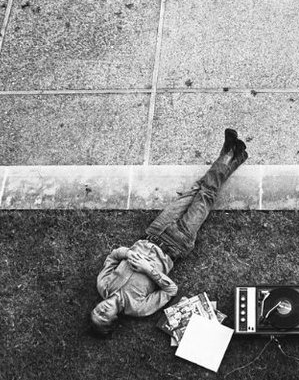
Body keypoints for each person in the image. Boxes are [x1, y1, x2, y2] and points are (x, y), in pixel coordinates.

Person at [90, 128, 248, 336]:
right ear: (113, 319)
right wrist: (148, 269)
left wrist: (127, 254)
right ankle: (229, 152)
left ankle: (234, 155)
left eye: (95, 312)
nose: (100, 310)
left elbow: (113, 256)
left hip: (154, 231)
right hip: (176, 243)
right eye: (103, 317)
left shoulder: (103, 285)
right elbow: (170, 291)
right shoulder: (137, 308)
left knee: (196, 188)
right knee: (206, 195)